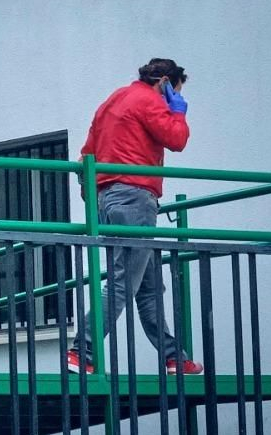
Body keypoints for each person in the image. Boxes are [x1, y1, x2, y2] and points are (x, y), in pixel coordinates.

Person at [67, 58, 204, 376]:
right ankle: (80, 351)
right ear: (165, 84)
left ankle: (173, 357)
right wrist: (178, 110)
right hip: (135, 198)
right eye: (174, 91)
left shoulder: (112, 101)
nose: (172, 100)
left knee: (149, 286)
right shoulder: (149, 100)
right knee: (121, 284)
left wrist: (96, 200)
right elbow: (177, 139)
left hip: (109, 197)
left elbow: (87, 154)